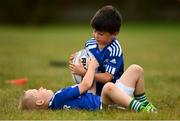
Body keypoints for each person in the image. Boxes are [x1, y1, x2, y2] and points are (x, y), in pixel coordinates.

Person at [19, 57, 156, 112]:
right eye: (38, 90)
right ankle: (140, 109)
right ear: (40, 102)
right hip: (105, 104)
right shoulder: (58, 97)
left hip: (113, 99)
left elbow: (86, 89)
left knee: (136, 69)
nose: (41, 87)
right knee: (109, 86)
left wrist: (80, 67)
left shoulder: (58, 103)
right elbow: (85, 85)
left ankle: (145, 104)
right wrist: (91, 66)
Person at [70, 5, 124, 96]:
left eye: (101, 34)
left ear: (114, 33)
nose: (96, 36)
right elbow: (85, 59)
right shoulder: (90, 43)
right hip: (92, 86)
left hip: (111, 90)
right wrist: (76, 59)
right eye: (94, 31)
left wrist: (84, 73)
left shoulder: (115, 50)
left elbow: (107, 77)